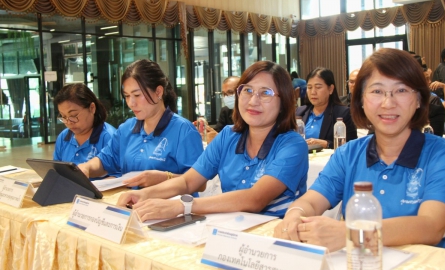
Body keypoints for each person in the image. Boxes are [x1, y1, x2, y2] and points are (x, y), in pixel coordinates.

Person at [274, 48, 445, 252]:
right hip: (363, 262)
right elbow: (311, 201)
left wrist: (351, 234)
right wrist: (295, 213)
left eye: (401, 90)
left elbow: (431, 226)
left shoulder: (442, 154)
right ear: (361, 101)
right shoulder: (348, 154)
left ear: (418, 99)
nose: (388, 103)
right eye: (376, 91)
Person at [117, 61, 309, 220]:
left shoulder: (292, 145)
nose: (253, 101)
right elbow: (187, 182)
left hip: (272, 240)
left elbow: (255, 198)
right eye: (247, 90)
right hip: (229, 233)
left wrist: (182, 206)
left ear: (283, 101)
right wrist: (143, 194)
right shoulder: (228, 136)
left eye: (265, 93)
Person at [78, 59, 204, 188]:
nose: (131, 103)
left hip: (170, 206)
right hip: (132, 204)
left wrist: (166, 178)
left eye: (137, 95)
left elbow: (200, 183)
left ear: (158, 92)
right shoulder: (127, 128)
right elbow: (105, 161)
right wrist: (86, 167)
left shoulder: (183, 130)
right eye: (127, 96)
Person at [53, 83, 117, 172]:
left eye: (73, 115)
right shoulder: (63, 137)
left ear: (92, 108)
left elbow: (118, 176)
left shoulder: (109, 137)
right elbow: (57, 171)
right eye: (63, 117)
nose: (68, 122)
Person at [296, 67, 357, 149]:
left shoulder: (343, 113)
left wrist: (326, 144)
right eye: (309, 87)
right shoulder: (299, 112)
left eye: (318, 87)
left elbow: (352, 145)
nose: (313, 92)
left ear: (331, 89)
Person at [204, 76, 240, 143]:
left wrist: (220, 138)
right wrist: (208, 130)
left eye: (230, 92)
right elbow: (217, 132)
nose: (226, 97)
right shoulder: (225, 111)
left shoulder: (251, 113)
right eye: (224, 94)